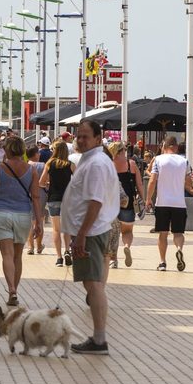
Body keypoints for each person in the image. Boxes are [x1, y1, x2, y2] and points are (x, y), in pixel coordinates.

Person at [60, 119, 119, 355]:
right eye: (79, 136)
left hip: (92, 232)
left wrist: (81, 235)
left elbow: (95, 202)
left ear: (98, 138)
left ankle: (99, 339)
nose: (81, 140)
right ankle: (98, 337)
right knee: (91, 282)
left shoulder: (95, 163)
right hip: (90, 230)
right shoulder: (92, 160)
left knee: (94, 284)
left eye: (86, 136)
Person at [0, 136, 41, 307]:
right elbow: (36, 197)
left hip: (2, 213)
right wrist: (38, 221)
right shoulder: (31, 170)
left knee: (7, 255)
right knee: (18, 256)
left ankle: (11, 289)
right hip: (23, 215)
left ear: (8, 150)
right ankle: (15, 290)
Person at [145, 136, 193, 272]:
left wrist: (148, 199)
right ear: (176, 147)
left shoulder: (158, 160)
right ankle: (179, 249)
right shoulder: (185, 161)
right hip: (179, 203)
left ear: (164, 146)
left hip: (163, 202)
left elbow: (152, 180)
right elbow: (189, 183)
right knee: (178, 233)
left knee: (163, 234)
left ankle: (162, 262)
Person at [106, 142, 143, 269]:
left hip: (111, 204)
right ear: (122, 151)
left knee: (113, 233)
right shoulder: (131, 164)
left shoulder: (108, 165)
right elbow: (139, 184)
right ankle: (126, 246)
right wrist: (144, 199)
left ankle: (113, 260)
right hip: (128, 203)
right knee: (127, 231)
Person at [39, 140, 76, 267]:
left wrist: (48, 185)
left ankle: (59, 258)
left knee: (56, 229)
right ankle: (67, 250)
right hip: (68, 199)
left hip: (53, 198)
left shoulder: (49, 164)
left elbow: (41, 182)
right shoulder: (70, 164)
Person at [24, 146, 46, 255]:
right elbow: (46, 181)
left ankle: (30, 246)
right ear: (36, 154)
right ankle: (39, 245)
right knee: (40, 220)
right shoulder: (43, 166)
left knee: (29, 221)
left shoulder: (26, 166)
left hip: (27, 194)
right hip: (41, 193)